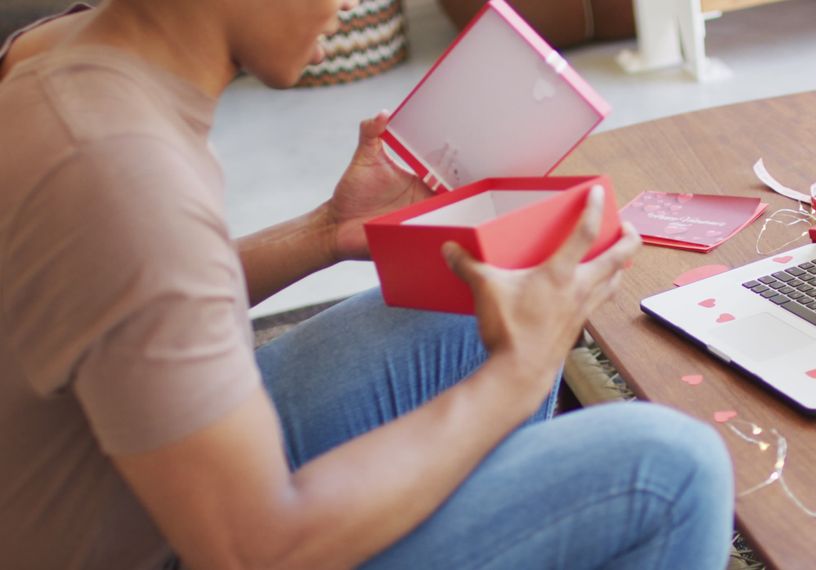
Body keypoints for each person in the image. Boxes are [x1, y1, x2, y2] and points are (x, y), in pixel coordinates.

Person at [0, 1, 734, 568]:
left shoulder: (59, 57)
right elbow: (256, 551)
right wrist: (519, 373)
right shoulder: (121, 178)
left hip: (134, 468)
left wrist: (324, 232)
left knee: (467, 301)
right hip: (182, 544)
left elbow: (127, 299)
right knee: (671, 470)